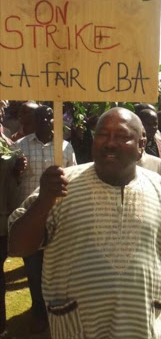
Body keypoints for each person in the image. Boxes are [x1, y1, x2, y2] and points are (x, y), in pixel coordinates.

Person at [8, 108, 161, 339]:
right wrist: (44, 200)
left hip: (147, 328)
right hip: (78, 328)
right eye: (102, 135)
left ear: (141, 144)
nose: (109, 143)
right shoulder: (60, 186)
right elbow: (18, 246)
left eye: (121, 136)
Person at [15, 104, 76, 334]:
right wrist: (16, 171)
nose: (45, 121)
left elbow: (74, 177)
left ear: (54, 120)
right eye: (40, 117)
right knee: (32, 265)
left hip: (58, 218)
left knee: (56, 267)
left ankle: (56, 310)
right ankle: (38, 310)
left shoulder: (65, 147)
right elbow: (13, 182)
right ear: (34, 120)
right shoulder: (20, 147)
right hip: (31, 218)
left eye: (49, 117)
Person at [0, 105, 26, 337]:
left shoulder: (7, 140)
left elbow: (11, 182)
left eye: (0, 108)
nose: (0, 112)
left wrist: (18, 171)